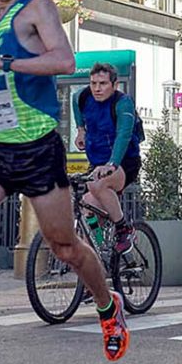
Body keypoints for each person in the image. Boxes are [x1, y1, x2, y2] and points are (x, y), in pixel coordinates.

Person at [0, 0, 129, 364]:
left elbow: (63, 60)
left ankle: (106, 305)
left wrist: (0, 62)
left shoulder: (37, 10)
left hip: (36, 149)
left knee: (65, 247)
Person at [74, 62, 143, 254]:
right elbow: (73, 99)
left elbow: (123, 135)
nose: (97, 88)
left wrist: (112, 164)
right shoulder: (83, 97)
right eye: (93, 83)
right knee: (88, 208)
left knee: (99, 184)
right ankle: (98, 254)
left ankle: (123, 228)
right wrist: (80, 130)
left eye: (103, 83)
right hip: (97, 163)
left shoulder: (123, 103)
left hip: (124, 161)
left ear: (114, 85)